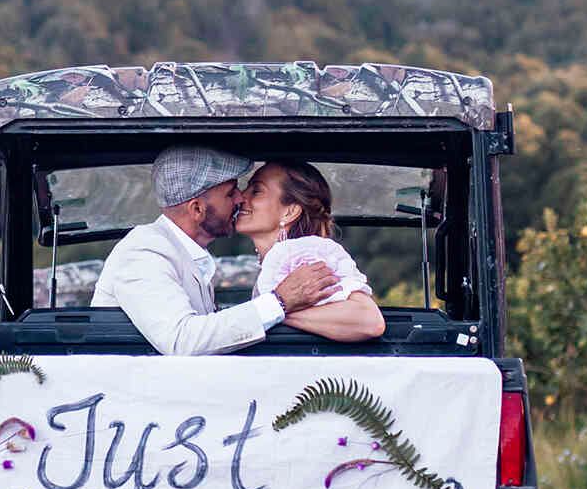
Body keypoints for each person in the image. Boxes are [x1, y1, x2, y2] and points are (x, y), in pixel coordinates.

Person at [90, 146, 343, 354]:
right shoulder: (145, 252)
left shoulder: (186, 255)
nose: (241, 199)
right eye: (230, 193)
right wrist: (279, 302)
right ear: (197, 209)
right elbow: (181, 339)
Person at [235, 160, 386, 342]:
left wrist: (267, 312)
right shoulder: (280, 258)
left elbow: (369, 322)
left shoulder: (306, 254)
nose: (241, 196)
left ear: (290, 212)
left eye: (257, 190)